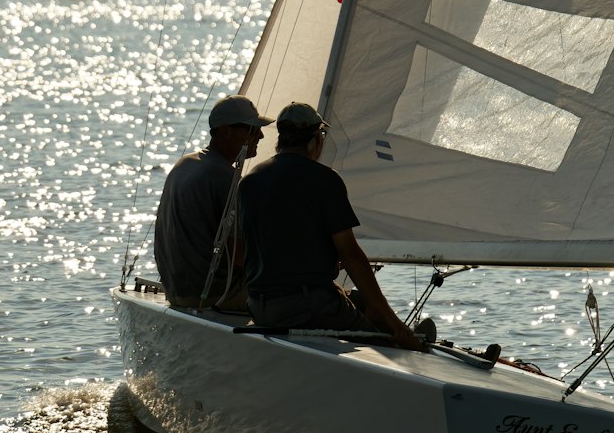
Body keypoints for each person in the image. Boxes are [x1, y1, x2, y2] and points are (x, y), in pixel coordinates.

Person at [239, 102, 429, 349]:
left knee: (355, 301)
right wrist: (395, 325)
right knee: (381, 342)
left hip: (259, 305)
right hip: (306, 308)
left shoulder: (251, 180)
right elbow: (351, 256)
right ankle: (409, 339)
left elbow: (261, 245)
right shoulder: (325, 180)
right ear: (315, 140)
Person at [154, 95, 272, 311]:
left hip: (176, 291)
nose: (261, 135)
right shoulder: (227, 179)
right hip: (214, 296)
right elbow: (238, 256)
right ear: (226, 131)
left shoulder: (185, 164)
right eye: (253, 130)